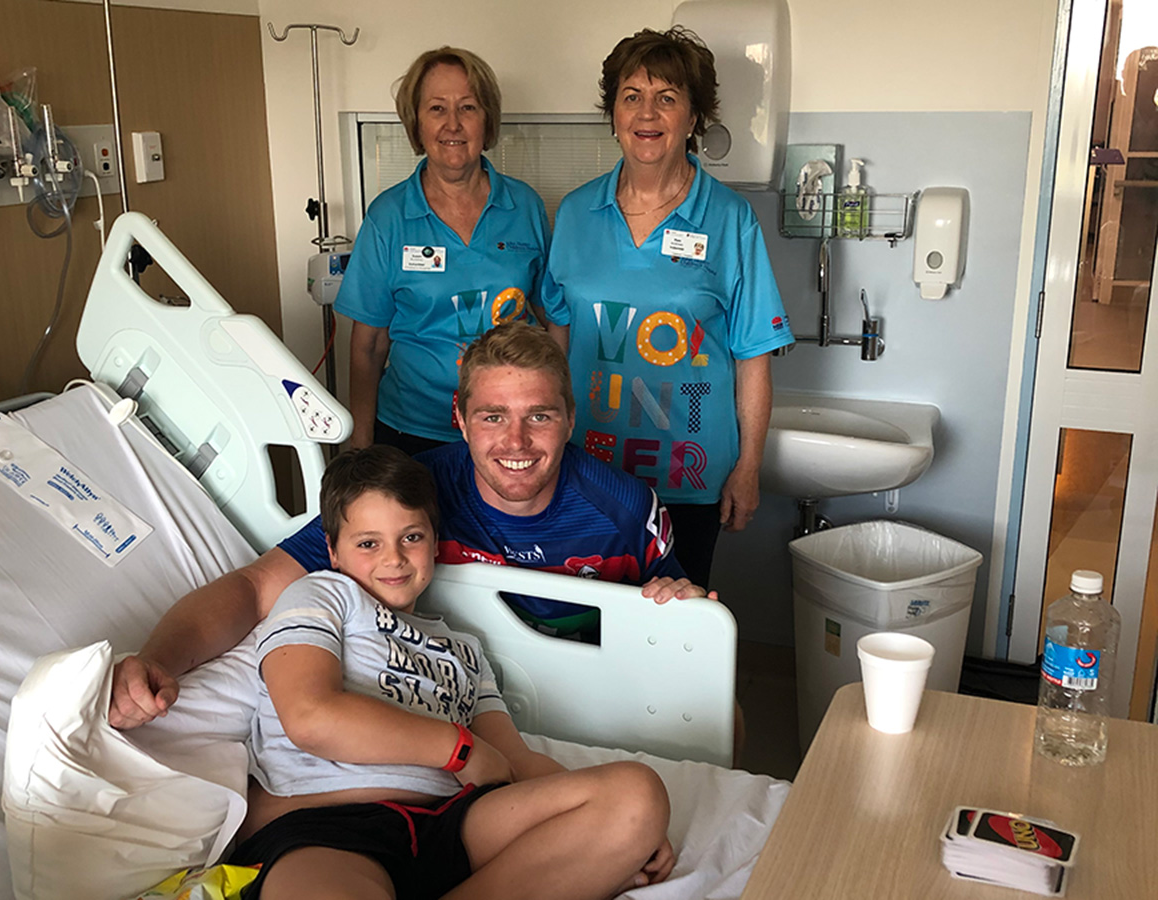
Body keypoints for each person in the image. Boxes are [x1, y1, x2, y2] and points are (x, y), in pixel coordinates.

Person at [110, 323, 712, 731]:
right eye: (492, 417)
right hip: (454, 713)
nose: (516, 442)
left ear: (570, 419)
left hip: (596, 710)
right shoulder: (408, 497)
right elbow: (253, 587)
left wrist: (680, 601)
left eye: (540, 416)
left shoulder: (625, 509)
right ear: (460, 418)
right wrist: (159, 660)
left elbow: (684, 632)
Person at [231, 445, 674, 898]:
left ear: (435, 541)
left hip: (452, 825)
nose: (393, 558)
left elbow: (513, 760)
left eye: (411, 537)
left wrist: (632, 833)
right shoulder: (322, 595)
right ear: (334, 551)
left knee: (636, 796)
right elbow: (310, 717)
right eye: (368, 543)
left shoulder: (464, 650)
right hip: (327, 828)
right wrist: (458, 750)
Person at [542, 27, 795, 587]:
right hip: (587, 468)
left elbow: (753, 356)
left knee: (675, 618)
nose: (646, 113)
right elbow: (558, 339)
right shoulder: (578, 212)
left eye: (667, 97)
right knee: (587, 615)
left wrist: (748, 466)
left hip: (688, 476)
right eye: (631, 96)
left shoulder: (729, 219)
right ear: (613, 114)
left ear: (693, 117)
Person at [338, 47, 550, 456]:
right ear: (416, 123)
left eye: (467, 107)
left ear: (487, 120)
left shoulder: (525, 206)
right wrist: (360, 444)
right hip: (411, 431)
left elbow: (551, 317)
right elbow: (368, 345)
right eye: (437, 108)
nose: (453, 123)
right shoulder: (389, 217)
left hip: (511, 430)